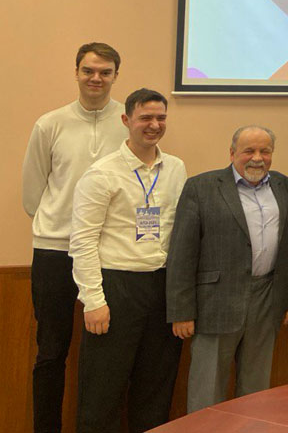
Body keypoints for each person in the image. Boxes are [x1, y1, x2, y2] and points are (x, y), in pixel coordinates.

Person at [21, 42, 127, 433]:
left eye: (105, 72)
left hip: (108, 254)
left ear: (116, 76)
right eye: (88, 70)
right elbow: (33, 194)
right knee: (51, 352)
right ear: (77, 72)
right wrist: (61, 226)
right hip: (54, 252)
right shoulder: (50, 124)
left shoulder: (129, 122)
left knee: (106, 354)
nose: (96, 78)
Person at [69, 88, 187, 433]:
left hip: (162, 287)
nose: (154, 125)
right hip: (116, 288)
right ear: (126, 120)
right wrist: (93, 300)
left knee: (155, 388)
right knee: (102, 390)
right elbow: (83, 240)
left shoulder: (176, 168)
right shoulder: (101, 173)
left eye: (161, 118)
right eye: (145, 118)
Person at [166, 126, 288, 412]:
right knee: (207, 388)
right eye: (249, 151)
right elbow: (182, 253)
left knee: (256, 388)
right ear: (232, 153)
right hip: (215, 302)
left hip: (266, 298)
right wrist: (181, 311)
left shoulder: (286, 187)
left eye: (265, 151)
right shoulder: (201, 187)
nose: (257, 158)